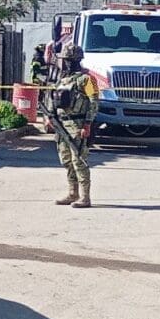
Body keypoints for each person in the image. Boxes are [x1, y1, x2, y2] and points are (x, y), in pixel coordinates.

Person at [46, 43, 98, 208]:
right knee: (66, 160)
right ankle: (72, 193)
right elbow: (53, 99)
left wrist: (88, 124)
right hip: (62, 125)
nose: (66, 63)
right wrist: (50, 117)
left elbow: (94, 102)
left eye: (69, 60)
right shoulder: (62, 80)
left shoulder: (87, 80)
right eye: (66, 60)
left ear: (77, 61)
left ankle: (85, 197)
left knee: (79, 160)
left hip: (78, 124)